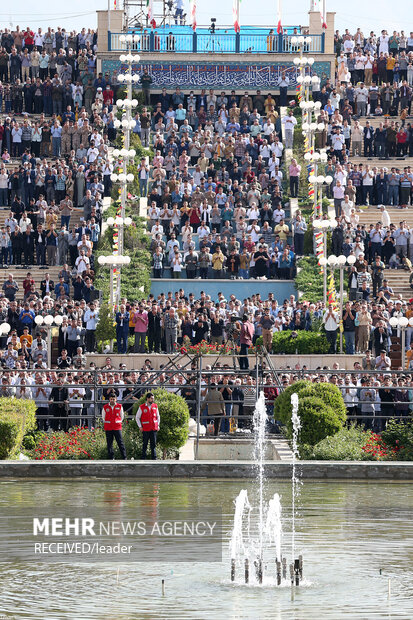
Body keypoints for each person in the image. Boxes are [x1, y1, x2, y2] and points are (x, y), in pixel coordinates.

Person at [102, 391, 127, 460]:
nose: (112, 400)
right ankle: (111, 458)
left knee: (120, 442)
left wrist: (117, 422)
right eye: (111, 399)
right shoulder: (105, 407)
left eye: (113, 399)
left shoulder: (119, 406)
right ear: (109, 399)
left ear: (116, 399)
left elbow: (122, 416)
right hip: (108, 427)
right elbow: (103, 417)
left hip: (117, 427)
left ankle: (124, 457)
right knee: (109, 443)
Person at [136, 392, 160, 460]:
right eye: (151, 398)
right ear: (147, 398)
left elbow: (158, 416)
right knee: (145, 444)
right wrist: (140, 426)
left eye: (153, 398)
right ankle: (143, 458)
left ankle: (154, 458)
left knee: (153, 445)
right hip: (145, 428)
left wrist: (158, 425)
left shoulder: (155, 406)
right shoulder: (142, 407)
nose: (153, 400)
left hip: (153, 428)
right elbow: (137, 417)